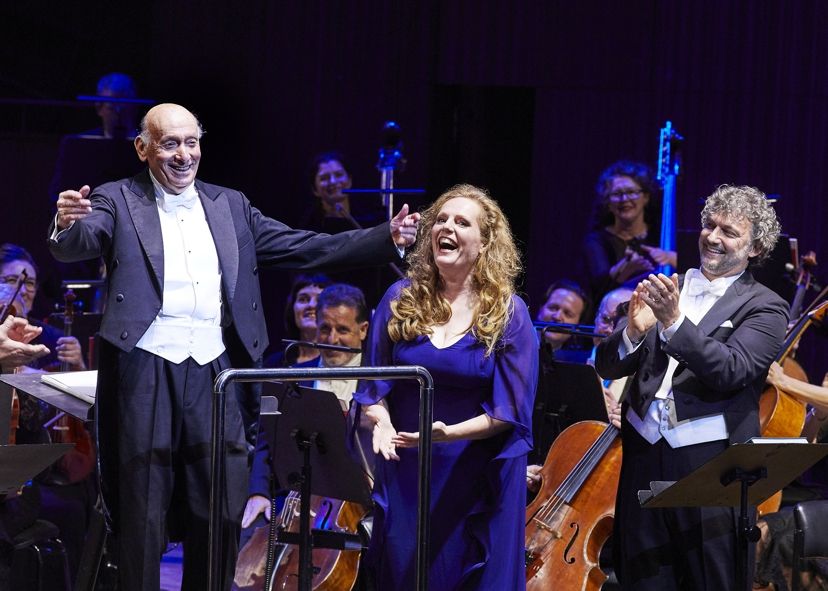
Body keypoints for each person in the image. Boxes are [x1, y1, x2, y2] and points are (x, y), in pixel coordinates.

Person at [48, 102, 420, 591]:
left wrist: (384, 237)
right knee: (142, 509)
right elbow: (79, 240)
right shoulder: (116, 200)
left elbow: (304, 245)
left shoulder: (230, 206)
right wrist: (67, 223)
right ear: (142, 149)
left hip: (216, 372)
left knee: (217, 509)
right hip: (145, 370)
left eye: (191, 142)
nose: (183, 155)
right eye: (169, 143)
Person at [596, 184, 789, 589]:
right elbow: (607, 362)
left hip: (712, 472)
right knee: (643, 580)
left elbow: (731, 370)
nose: (714, 238)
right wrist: (631, 331)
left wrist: (673, 323)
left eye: (729, 232)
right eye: (709, 225)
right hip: (643, 461)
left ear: (755, 248)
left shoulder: (766, 306)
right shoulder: (666, 286)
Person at [354, 184, 537, 589]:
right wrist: (379, 422)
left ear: (485, 242)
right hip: (408, 468)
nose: (446, 227)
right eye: (440, 219)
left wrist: (445, 435)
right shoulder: (399, 298)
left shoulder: (509, 313)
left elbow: (510, 411)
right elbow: (373, 384)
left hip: (475, 474)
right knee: (405, 572)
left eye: (461, 222)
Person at [241, 282, 370, 532]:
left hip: (359, 504)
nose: (332, 339)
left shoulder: (380, 381)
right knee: (250, 532)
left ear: (363, 330)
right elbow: (266, 441)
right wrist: (259, 492)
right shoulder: (293, 377)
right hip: (296, 500)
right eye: (325, 329)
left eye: (342, 329)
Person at [583, 160, 677, 305]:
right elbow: (596, 292)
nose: (624, 199)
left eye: (631, 192)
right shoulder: (597, 241)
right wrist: (623, 272)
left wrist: (672, 258)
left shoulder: (662, 235)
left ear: (645, 197)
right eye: (617, 194)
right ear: (608, 202)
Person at [263, 273, 332, 367]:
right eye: (303, 299)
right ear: (292, 308)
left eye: (319, 300)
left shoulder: (338, 362)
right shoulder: (274, 364)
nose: (311, 305)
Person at [536, 278, 591, 362]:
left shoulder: (576, 362)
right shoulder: (515, 339)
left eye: (568, 314)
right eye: (553, 308)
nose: (557, 317)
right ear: (541, 308)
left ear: (577, 327)